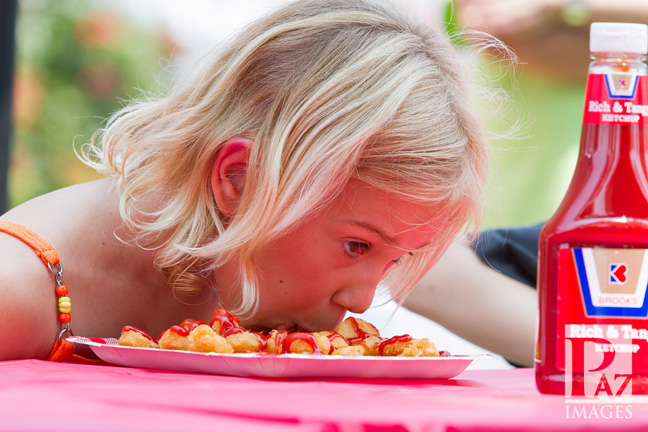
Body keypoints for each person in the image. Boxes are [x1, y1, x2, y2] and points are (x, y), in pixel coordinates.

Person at [0, 0, 493, 360]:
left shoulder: (239, 271)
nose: (362, 301)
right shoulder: (18, 290)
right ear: (238, 180)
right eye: (358, 247)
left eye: (397, 258)